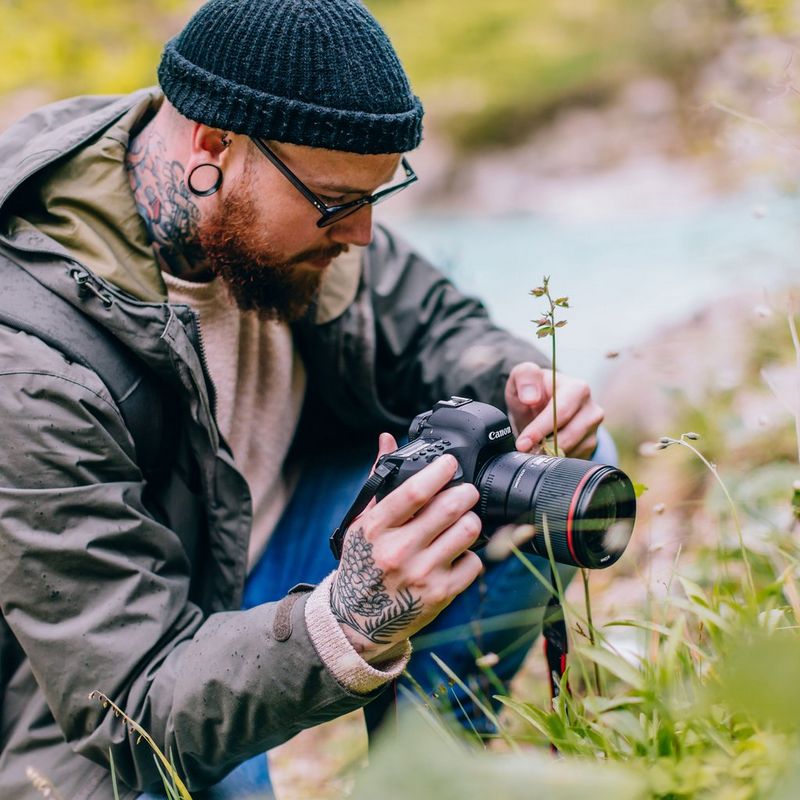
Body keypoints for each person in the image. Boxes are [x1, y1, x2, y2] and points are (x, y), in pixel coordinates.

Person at [0, 0, 608, 797]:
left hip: (274, 539)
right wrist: (348, 619)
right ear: (212, 147)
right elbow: (130, 697)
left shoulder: (295, 203)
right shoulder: (32, 367)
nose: (360, 235)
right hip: (115, 673)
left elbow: (432, 324)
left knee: (551, 472)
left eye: (374, 199)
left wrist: (519, 385)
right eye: (337, 205)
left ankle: (422, 779)